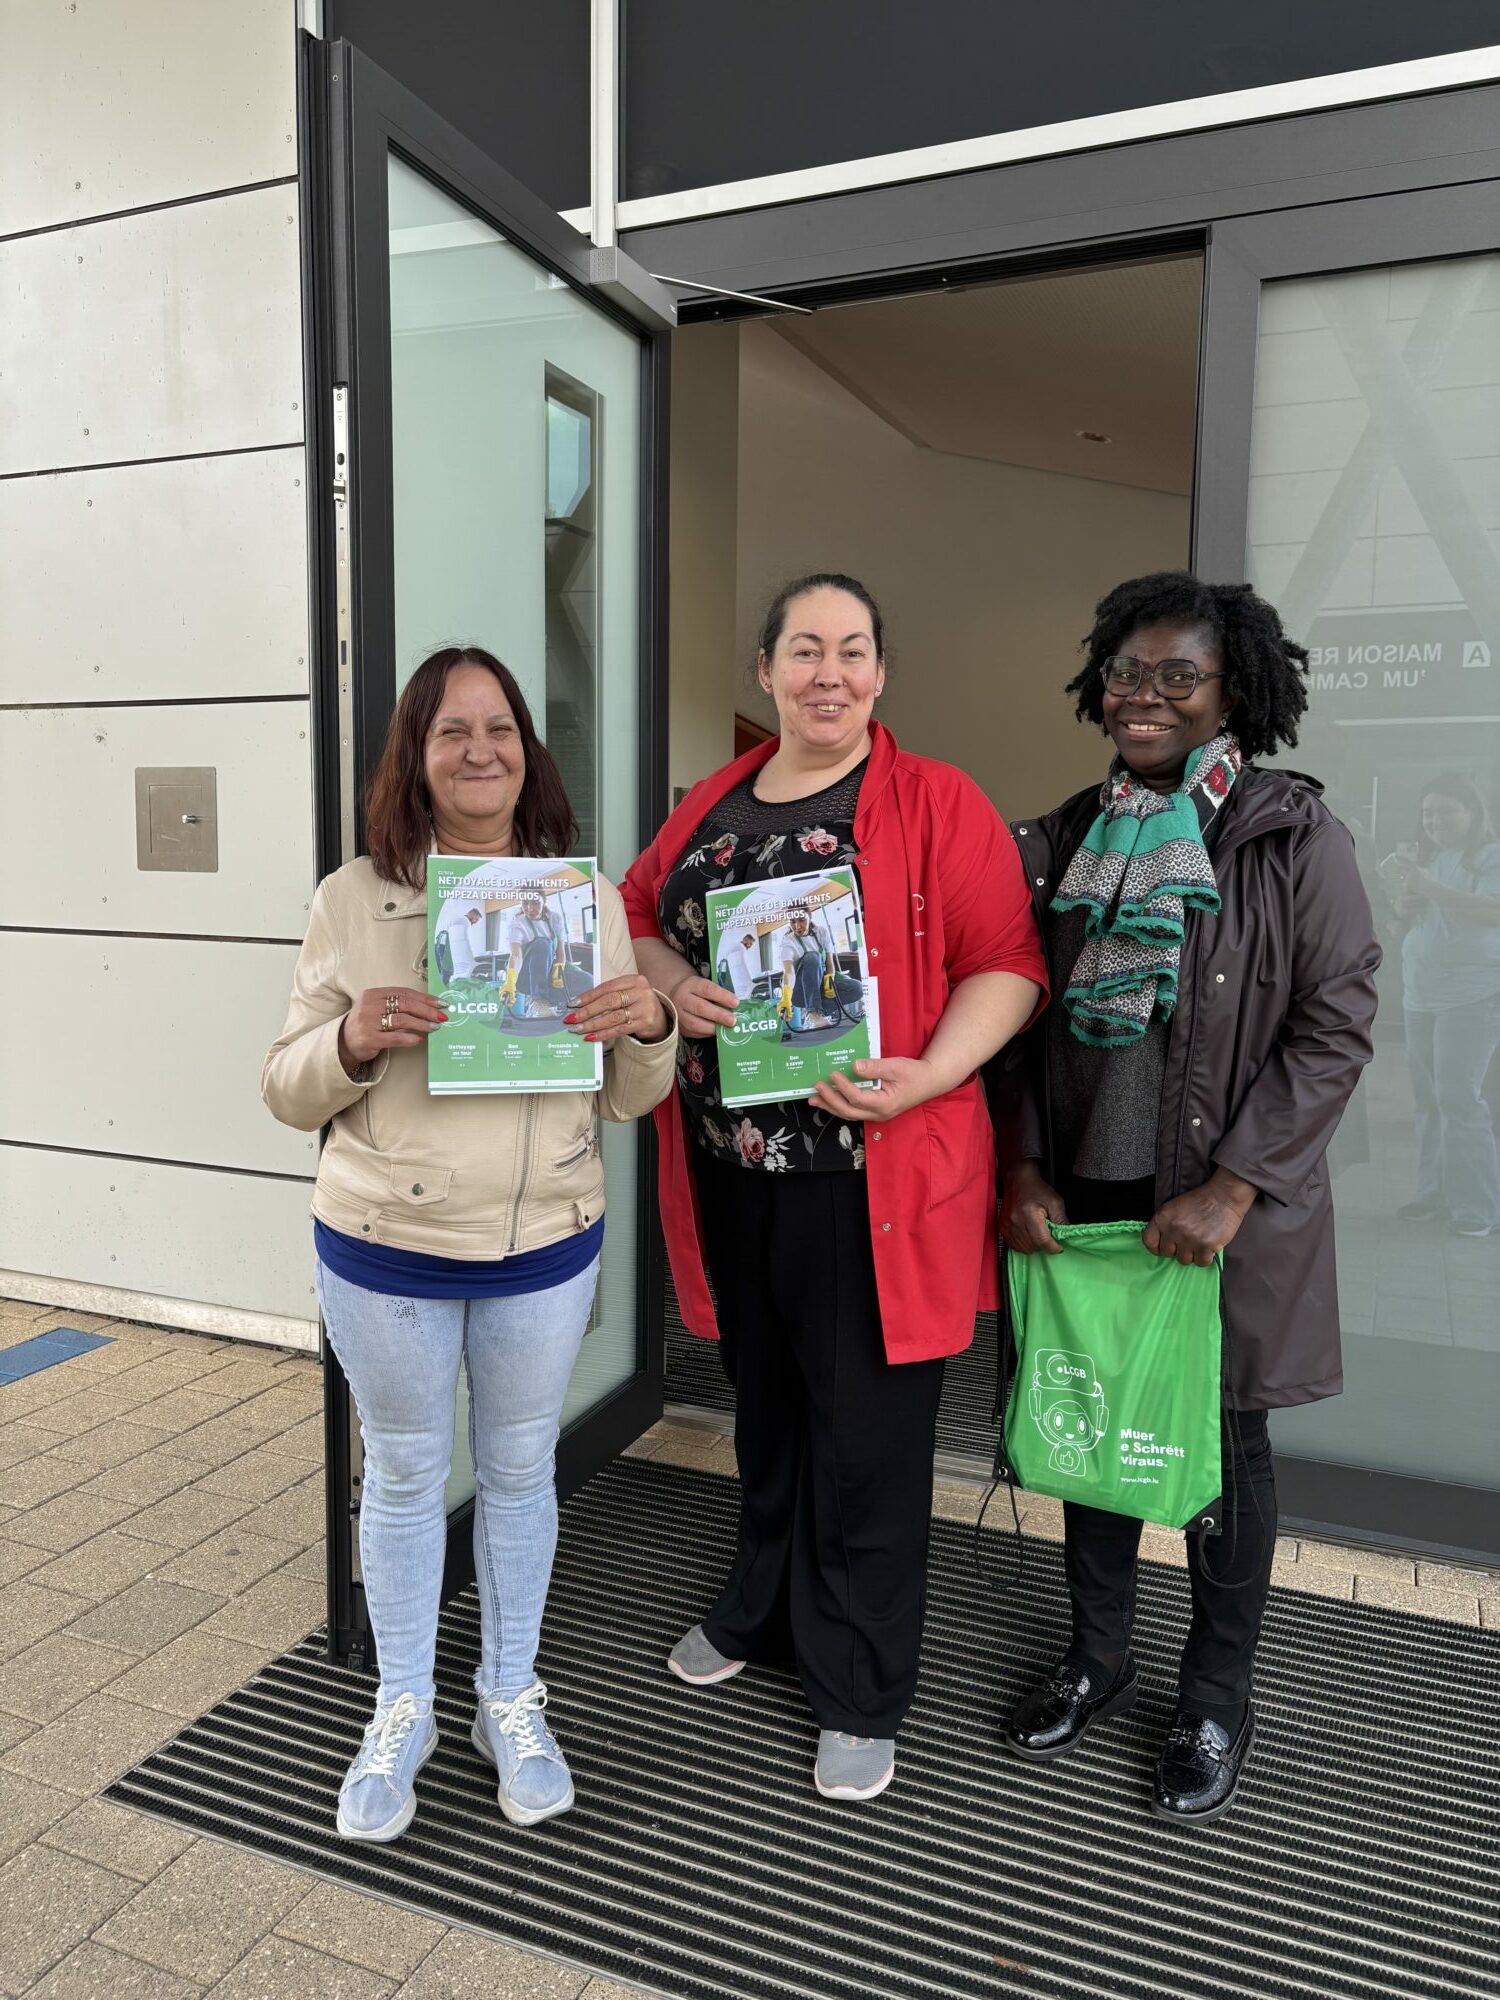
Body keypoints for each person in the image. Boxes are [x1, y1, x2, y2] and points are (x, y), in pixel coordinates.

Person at [622, 573, 1046, 1802]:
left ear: (880, 672)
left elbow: (1009, 962)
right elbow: (638, 911)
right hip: (733, 1170)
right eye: (804, 649)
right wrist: (673, 982)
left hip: (875, 1178)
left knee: (867, 1433)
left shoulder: (936, 800)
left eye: (852, 650)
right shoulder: (710, 802)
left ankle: (860, 1683)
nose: (829, 673)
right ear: (765, 670)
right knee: (768, 1406)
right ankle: (760, 1604)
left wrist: (930, 1076)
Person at [263, 644, 676, 1842]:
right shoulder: (353, 899)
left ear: (527, 752)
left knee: (518, 1470)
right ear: (417, 754)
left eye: (500, 728)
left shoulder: (583, 902)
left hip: (543, 1237)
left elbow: (627, 1097)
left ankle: (508, 1692)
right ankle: (403, 1702)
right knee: (401, 1473)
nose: (480, 750)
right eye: (453, 731)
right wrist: (349, 1039)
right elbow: (285, 1086)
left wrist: (648, 1022)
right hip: (385, 1240)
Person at [992, 572, 1380, 1823]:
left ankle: (1215, 1694)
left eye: (1177, 676)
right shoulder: (1066, 833)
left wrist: (1236, 1183)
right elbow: (1015, 1018)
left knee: (1224, 1448)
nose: (1143, 696)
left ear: (1233, 694)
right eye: (1126, 671)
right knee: (1090, 1421)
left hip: (1219, 1205)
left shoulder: (1290, 835)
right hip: (1090, 1189)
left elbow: (1335, 1024)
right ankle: (1098, 1654)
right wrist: (1023, 1163)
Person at [1384, 774, 1500, 1237]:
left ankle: (1477, 1210)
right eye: (1428, 812)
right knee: (1429, 1102)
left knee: (1459, 1100)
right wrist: (1403, 908)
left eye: (1447, 810)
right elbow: (1403, 928)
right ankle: (1432, 1194)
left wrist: (1430, 889)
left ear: (1472, 813)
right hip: (1421, 995)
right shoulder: (1429, 860)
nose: (1435, 821)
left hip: (1470, 996)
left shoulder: (1490, 856)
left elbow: (1494, 911)